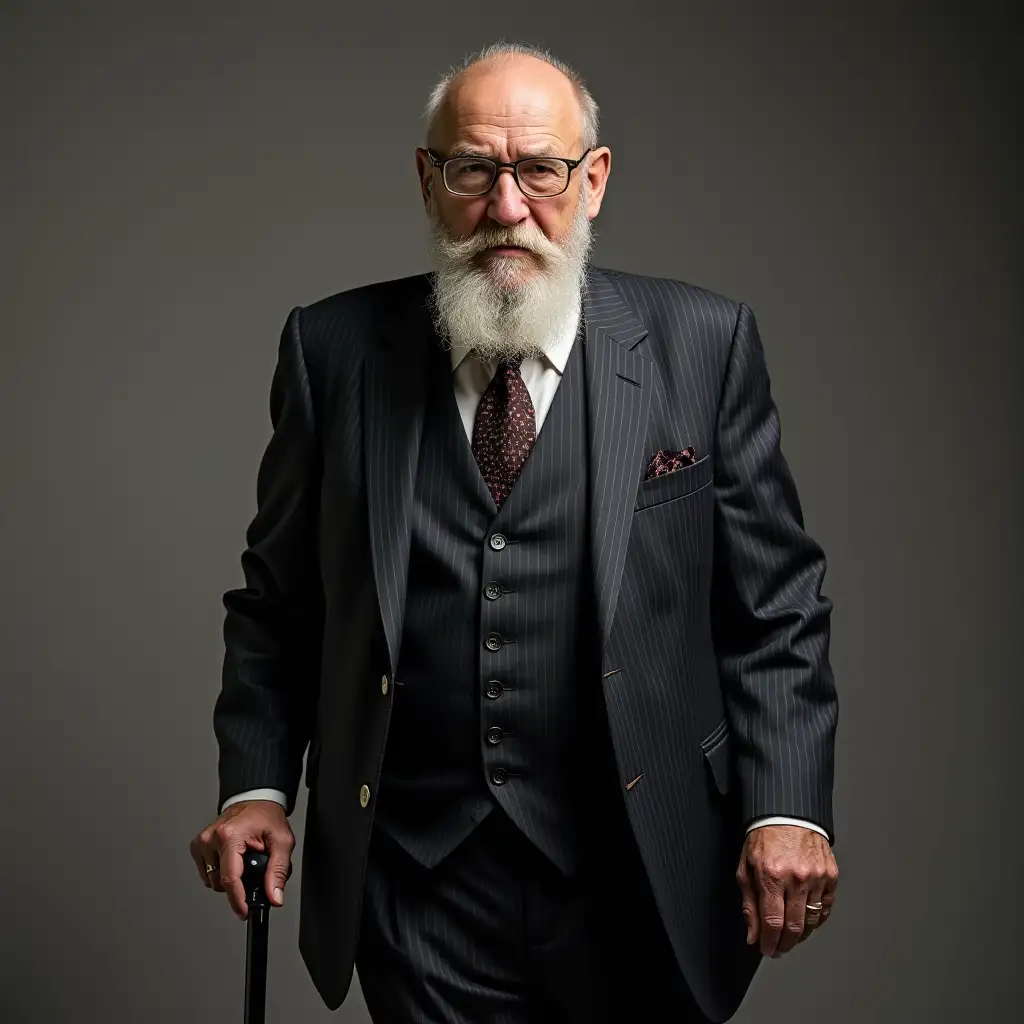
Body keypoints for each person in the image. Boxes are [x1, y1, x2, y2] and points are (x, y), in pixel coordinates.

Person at [189, 40, 840, 1023]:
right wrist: (259, 786)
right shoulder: (332, 353)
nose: (506, 208)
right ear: (427, 179)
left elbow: (776, 607)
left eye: (539, 170)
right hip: (417, 882)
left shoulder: (703, 347)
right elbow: (277, 607)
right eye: (473, 170)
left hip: (640, 869)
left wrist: (785, 804)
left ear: (593, 179)